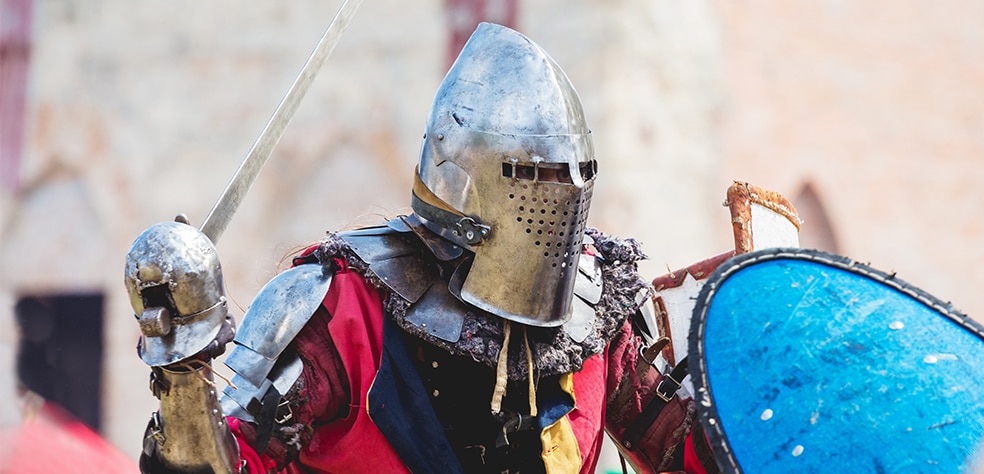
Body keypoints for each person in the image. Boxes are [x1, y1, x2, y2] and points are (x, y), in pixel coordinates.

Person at [125, 23, 716, 473]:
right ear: (466, 181)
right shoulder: (342, 308)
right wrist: (183, 372)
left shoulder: (595, 309)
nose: (559, 199)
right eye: (534, 178)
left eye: (572, 175)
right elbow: (230, 462)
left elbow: (686, 449)